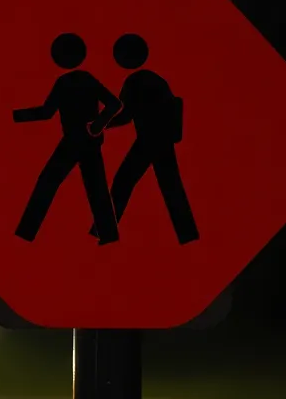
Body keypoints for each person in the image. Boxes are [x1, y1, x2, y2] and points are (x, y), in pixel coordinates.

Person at [91, 33, 199, 244]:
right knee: (170, 185)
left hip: (149, 139)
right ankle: (187, 234)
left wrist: (100, 125)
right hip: (162, 139)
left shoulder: (135, 81)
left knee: (124, 181)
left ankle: (103, 230)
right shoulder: (154, 79)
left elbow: (125, 116)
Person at [13, 33, 122, 244]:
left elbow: (114, 103)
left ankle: (26, 233)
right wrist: (99, 123)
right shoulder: (80, 80)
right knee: (95, 188)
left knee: (50, 182)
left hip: (76, 142)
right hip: (83, 142)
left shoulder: (68, 81)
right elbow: (114, 104)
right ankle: (109, 236)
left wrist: (99, 123)